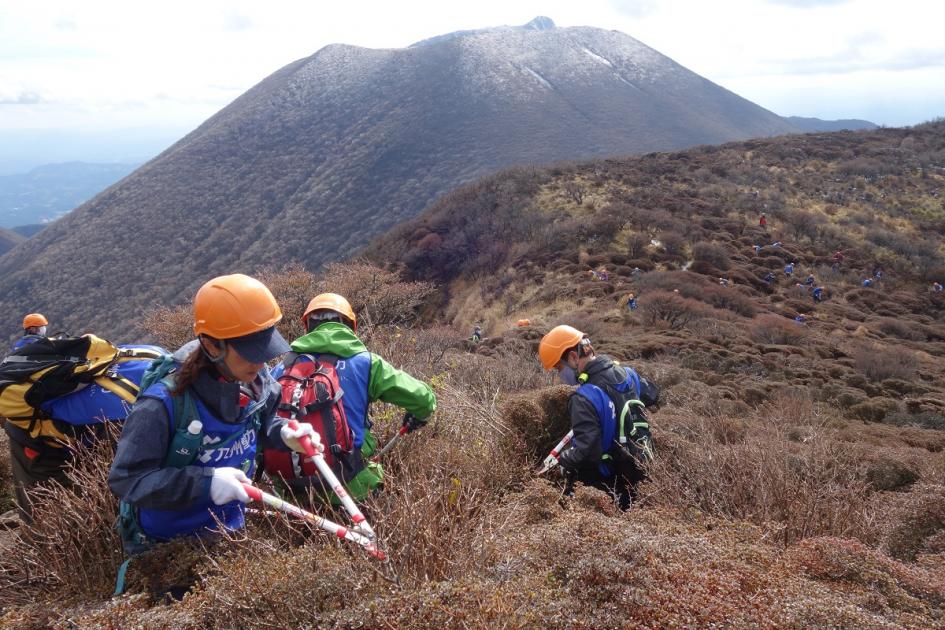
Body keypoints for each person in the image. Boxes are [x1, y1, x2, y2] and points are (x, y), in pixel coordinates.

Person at [108, 274, 316, 555]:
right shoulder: (162, 403)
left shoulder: (258, 381)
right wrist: (206, 483)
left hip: (230, 530)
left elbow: (262, 425)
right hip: (167, 547)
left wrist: (284, 433)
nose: (260, 361)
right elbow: (127, 479)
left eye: (265, 348)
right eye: (248, 351)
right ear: (210, 345)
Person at [270, 292, 436, 502]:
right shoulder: (366, 363)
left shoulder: (281, 369)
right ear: (350, 326)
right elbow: (424, 400)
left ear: (307, 326)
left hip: (289, 493)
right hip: (353, 488)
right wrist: (418, 415)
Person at [537, 325, 654, 510]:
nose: (560, 375)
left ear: (574, 357)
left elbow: (588, 453)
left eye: (559, 367)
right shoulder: (628, 374)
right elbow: (652, 394)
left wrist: (563, 460)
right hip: (639, 474)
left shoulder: (584, 397)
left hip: (605, 485)